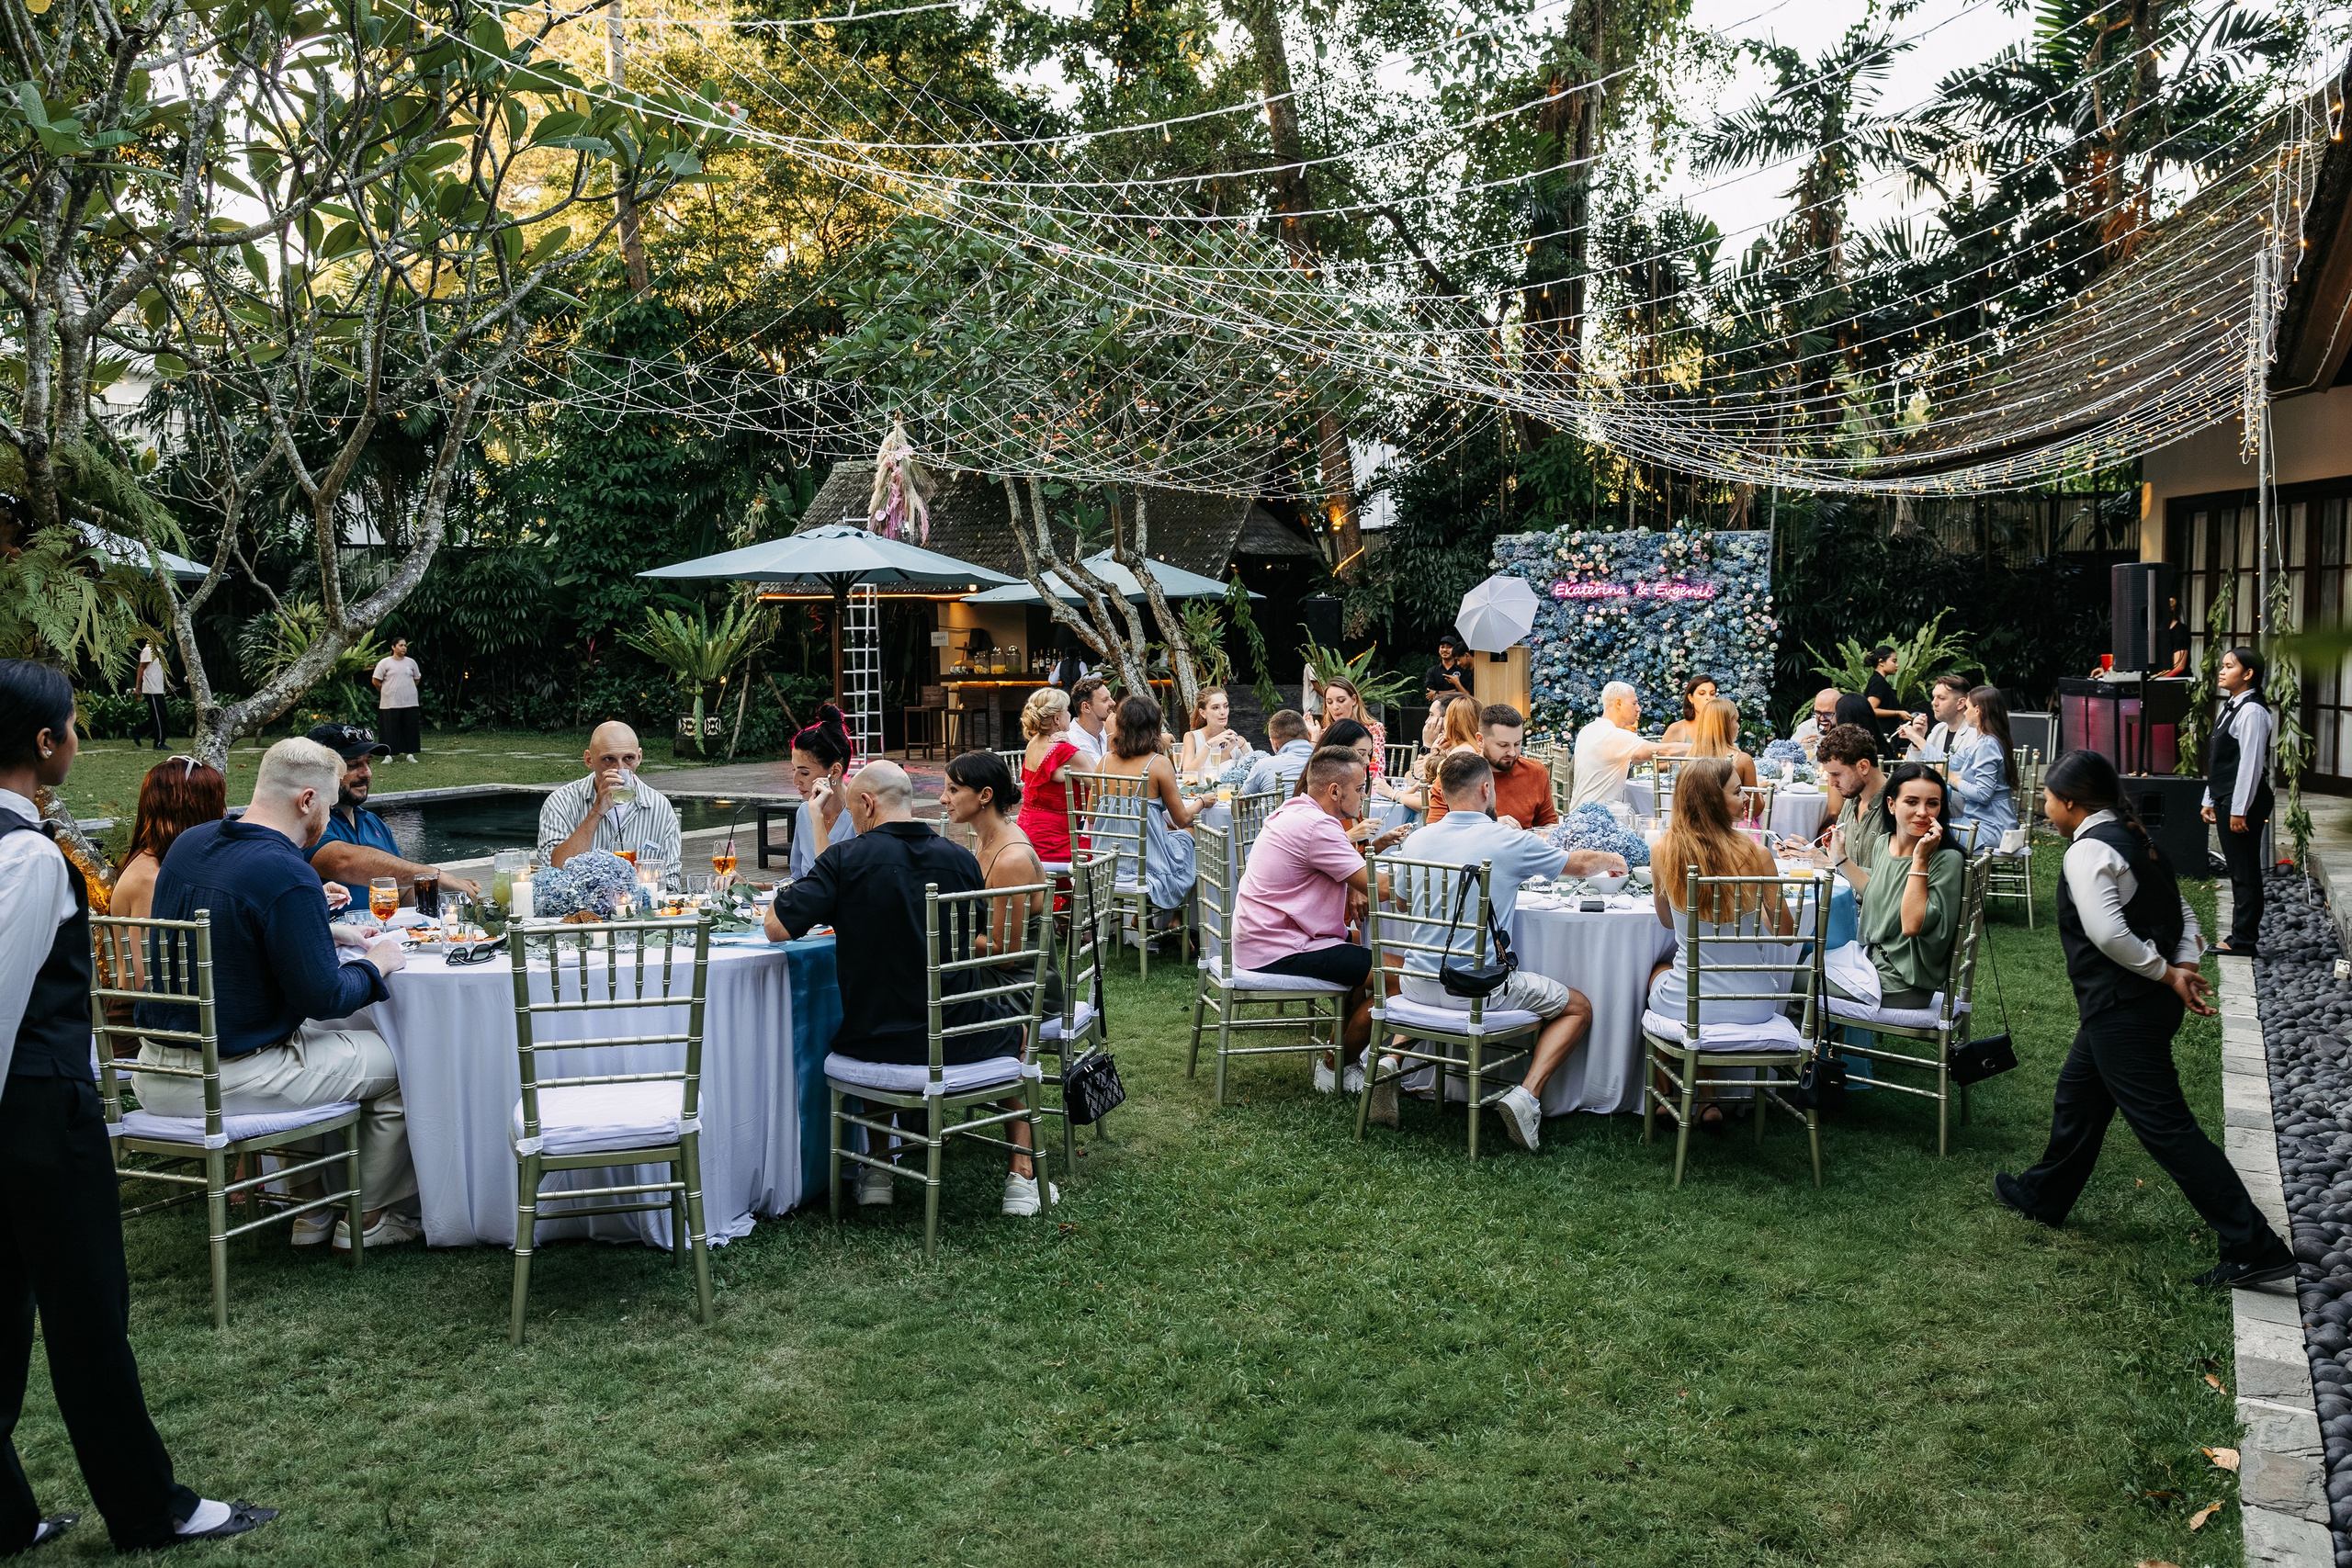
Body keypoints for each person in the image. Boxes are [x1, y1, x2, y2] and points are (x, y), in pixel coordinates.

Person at [0, 667, 278, 1554]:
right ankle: (149, 1507)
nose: (79, 739)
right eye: (75, 726)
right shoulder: (27, 856)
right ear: (46, 744)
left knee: (2, 1315)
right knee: (87, 1317)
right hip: (37, 1111)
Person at [1996, 749, 2294, 1289]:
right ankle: (2043, 1195)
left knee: (2166, 1128)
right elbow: (2183, 913)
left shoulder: (2088, 851)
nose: (2045, 808)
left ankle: (2254, 1243)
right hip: (2138, 1005)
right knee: (2078, 1097)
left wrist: (2165, 972)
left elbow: (2109, 934)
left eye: (2047, 800)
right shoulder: (2138, 839)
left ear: (2070, 802)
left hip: (2124, 1008)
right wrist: (2181, 967)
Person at [136, 737, 419, 1251]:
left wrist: (322, 932)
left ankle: (310, 1212)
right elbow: (324, 998)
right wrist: (378, 964)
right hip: (227, 1081)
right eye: (328, 807)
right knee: (402, 1066)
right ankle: (373, 1217)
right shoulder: (287, 872)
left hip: (153, 1070)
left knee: (308, 1044)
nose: (326, 819)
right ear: (307, 801)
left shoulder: (190, 845)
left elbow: (226, 930)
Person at [766, 761, 1046, 1216]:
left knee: (874, 1013)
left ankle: (877, 1168)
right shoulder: (959, 860)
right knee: (1014, 1034)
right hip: (957, 1037)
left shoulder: (845, 860)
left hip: (874, 1042)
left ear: (867, 803)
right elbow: (981, 944)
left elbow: (776, 927)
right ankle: (1021, 1174)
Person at [1385, 749, 1623, 1150]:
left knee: (1434, 970)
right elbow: (1577, 866)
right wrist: (1612, 857)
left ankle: (1389, 1065)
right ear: (1486, 789)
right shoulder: (1506, 840)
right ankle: (1526, 1095)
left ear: (1441, 790)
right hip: (1476, 991)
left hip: (1416, 983)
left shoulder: (1419, 839)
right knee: (1579, 1007)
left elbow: (1404, 902)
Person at [1645, 757, 1797, 1135]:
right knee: (1693, 985)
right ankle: (1709, 1100)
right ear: (1714, 800)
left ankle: (1672, 1094)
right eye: (1736, 791)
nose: (1746, 797)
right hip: (1755, 1005)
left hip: (1690, 1002)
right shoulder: (1756, 853)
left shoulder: (1664, 851)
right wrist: (1754, 907)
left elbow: (1666, 921)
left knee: (1658, 972)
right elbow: (1786, 932)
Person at [1235, 745, 1384, 1089]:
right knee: (1399, 977)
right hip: (1280, 947)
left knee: (1382, 947)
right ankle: (1336, 1067)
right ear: (1335, 790)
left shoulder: (1296, 809)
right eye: (1360, 789)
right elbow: (1379, 887)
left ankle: (1339, 1061)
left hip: (1267, 936)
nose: (1363, 796)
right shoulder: (1318, 826)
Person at [940, 750, 1065, 1021]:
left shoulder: (1011, 860)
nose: (943, 799)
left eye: (953, 789)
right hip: (990, 974)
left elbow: (1006, 954)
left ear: (984, 795)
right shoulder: (988, 838)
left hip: (1023, 991)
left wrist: (945, 936)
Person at [1832, 762, 1965, 1010]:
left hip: (1904, 981)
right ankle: (1831, 1048)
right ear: (1892, 805)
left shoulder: (1947, 859)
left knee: (1799, 982)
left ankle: (1818, 1048)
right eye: (1912, 802)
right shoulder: (1885, 842)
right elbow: (1879, 891)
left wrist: (1921, 858)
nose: (1923, 812)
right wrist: (1840, 858)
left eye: (1932, 803)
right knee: (1807, 961)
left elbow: (1912, 924)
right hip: (1872, 959)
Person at [304, 722, 481, 908]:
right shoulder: (309, 822)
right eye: (353, 765)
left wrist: (444, 892)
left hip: (384, 935)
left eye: (368, 762)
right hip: (339, 937)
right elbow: (344, 862)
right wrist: (436, 875)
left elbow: (402, 891)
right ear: (320, 772)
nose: (367, 773)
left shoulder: (373, 823)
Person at [1093, 695, 1200, 919]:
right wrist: (1202, 801)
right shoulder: (1158, 764)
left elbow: (1092, 817)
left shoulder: (1103, 763)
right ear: (1155, 726)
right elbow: (1182, 819)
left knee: (1167, 834)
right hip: (1148, 870)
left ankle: (1146, 920)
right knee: (1192, 831)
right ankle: (1179, 919)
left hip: (1107, 866)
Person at [2203, 646, 2273, 958]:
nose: (2221, 670)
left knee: (2245, 872)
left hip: (2244, 802)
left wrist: (2238, 810)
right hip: (2227, 797)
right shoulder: (2232, 706)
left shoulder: (2253, 712)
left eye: (2229, 666)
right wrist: (2209, 798)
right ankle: (2239, 936)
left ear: (2248, 675)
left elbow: (2250, 765)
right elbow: (2221, 760)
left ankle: (2243, 941)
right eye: (2222, 665)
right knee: (2238, 870)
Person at [537, 720, 683, 869]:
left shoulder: (659, 807)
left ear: (639, 757)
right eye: (609, 759)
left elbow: (670, 879)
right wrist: (596, 812)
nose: (620, 768)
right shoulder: (561, 802)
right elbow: (554, 869)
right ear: (589, 760)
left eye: (628, 758)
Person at [108, 755, 228, 930]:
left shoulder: (169, 865)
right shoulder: (149, 880)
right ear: (192, 812)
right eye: (217, 804)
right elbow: (145, 957)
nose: (224, 812)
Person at [1427, 704, 1560, 829]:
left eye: (1518, 744)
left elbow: (1546, 825)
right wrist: (1490, 826)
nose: (1512, 752)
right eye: (1503, 745)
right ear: (1480, 740)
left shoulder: (1535, 772)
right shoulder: (1454, 775)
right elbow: (1436, 835)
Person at [1567, 682, 1674, 811]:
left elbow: (1637, 760)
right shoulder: (1614, 734)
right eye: (1634, 703)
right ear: (1618, 704)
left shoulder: (1588, 730)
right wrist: (1698, 748)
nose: (1639, 708)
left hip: (1577, 814)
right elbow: (1663, 751)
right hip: (1598, 820)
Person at [1812, 724, 1890, 891]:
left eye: (1837, 774)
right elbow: (1834, 855)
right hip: (1844, 901)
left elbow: (1891, 878)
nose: (1832, 783)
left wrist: (1832, 864)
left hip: (1871, 911)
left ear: (1863, 766)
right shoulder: (1851, 803)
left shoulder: (1896, 807)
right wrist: (1808, 855)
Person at [1014, 686, 1086, 864]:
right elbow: (1101, 781)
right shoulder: (1062, 749)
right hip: (1054, 842)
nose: (1070, 715)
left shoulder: (1033, 743)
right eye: (1067, 710)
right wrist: (1072, 745)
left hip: (1026, 834)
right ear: (1056, 718)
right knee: (1107, 853)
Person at [1946, 685, 2019, 850]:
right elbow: (1949, 762)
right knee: (1931, 827)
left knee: (1928, 830)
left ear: (1977, 710)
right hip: (1985, 823)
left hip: (1990, 829)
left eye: (1967, 707)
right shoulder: (1985, 741)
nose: (1964, 713)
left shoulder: (1987, 745)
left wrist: (1953, 780)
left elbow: (1983, 793)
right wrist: (1917, 739)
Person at [1313, 677, 1386, 779]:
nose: (1335, 707)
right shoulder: (1324, 733)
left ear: (1353, 700)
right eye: (1329, 702)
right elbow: (1315, 772)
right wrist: (1314, 739)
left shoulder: (1374, 729)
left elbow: (1376, 771)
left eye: (1341, 700)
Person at [1686, 696, 1758, 792]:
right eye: (1736, 720)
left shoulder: (1688, 759)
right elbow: (1755, 806)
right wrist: (1760, 792)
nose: (1739, 726)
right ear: (1726, 725)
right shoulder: (1742, 760)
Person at [1895, 673, 1973, 761]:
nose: (1934, 703)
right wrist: (1916, 743)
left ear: (1961, 703)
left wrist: (1917, 739)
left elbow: (1950, 769)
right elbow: (1914, 771)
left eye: (1941, 698)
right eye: (1934, 697)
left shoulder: (1975, 734)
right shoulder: (1938, 730)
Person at [371, 637, 424, 763]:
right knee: (390, 728)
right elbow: (376, 681)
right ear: (393, 647)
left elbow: (417, 678)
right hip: (390, 702)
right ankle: (388, 755)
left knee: (410, 727)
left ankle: (410, 753)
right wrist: (386, 691)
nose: (404, 647)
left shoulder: (411, 662)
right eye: (401, 645)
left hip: (410, 701)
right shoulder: (385, 663)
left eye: (405, 645)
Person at [1179, 687, 1250, 781]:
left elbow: (1256, 771)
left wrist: (1242, 745)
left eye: (1226, 706)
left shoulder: (1238, 740)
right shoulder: (1192, 737)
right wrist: (1208, 745)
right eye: (1215, 708)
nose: (1223, 712)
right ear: (1203, 713)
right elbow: (1187, 776)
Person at [1240, 709, 1315, 797]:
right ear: (1308, 736)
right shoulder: (1328, 761)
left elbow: (1239, 804)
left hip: (1279, 811)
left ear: (1274, 744)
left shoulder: (1263, 766)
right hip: (1316, 811)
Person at [1863, 645, 1909, 742]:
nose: (1897, 665)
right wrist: (1898, 713)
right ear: (1881, 662)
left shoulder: (1878, 680)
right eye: (1894, 661)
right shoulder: (1878, 682)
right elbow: (1871, 709)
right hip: (1882, 736)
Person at [1067, 676, 1114, 768]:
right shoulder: (1075, 740)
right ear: (1086, 707)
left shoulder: (1104, 728)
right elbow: (1105, 776)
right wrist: (1111, 736)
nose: (1113, 703)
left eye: (1110, 697)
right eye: (1105, 700)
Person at [1661, 673, 1718, 750]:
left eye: (1712, 694)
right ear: (1690, 698)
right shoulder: (1676, 729)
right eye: (1702, 693)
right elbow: (1661, 760)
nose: (1708, 697)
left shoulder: (1722, 726)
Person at [134, 639, 171, 750]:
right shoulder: (148, 650)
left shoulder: (158, 650)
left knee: (160, 715)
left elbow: (159, 669)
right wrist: (138, 687)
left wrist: (167, 683)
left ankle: (137, 732)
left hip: (158, 688)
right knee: (159, 717)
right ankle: (159, 743)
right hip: (151, 689)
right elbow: (141, 668)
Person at [1789, 687, 1840, 752]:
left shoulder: (1849, 732)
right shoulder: (1805, 728)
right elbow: (1788, 755)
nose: (1821, 718)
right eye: (1818, 713)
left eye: (1827, 714)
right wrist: (1800, 747)